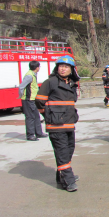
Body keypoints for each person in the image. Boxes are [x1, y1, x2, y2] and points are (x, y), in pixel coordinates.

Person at [35, 55, 80, 192]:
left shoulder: (71, 83)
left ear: (71, 69)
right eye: (61, 66)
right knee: (62, 152)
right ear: (57, 68)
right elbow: (39, 102)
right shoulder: (50, 82)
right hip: (55, 125)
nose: (63, 69)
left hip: (69, 124)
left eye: (66, 67)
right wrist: (49, 115)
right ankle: (69, 180)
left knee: (68, 150)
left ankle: (61, 176)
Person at [18, 60, 47, 141]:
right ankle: (30, 135)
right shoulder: (29, 76)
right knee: (30, 117)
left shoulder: (33, 74)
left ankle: (39, 133)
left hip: (32, 99)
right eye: (39, 67)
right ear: (37, 68)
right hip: (27, 100)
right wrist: (21, 96)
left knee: (36, 116)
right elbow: (21, 87)